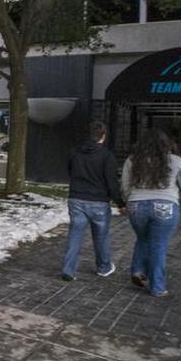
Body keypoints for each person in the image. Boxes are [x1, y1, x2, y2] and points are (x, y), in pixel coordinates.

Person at [122, 129, 181, 299]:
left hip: (136, 206)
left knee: (143, 238)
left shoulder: (132, 160)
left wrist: (129, 201)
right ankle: (157, 287)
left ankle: (138, 270)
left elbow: (125, 185)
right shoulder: (176, 160)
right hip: (165, 206)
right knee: (158, 245)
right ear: (167, 144)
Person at [61, 120, 124, 281]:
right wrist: (120, 202)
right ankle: (103, 267)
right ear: (103, 136)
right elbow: (112, 182)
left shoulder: (75, 152)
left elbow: (69, 171)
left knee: (75, 235)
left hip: (76, 198)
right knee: (101, 237)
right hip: (99, 202)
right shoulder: (107, 155)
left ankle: (68, 269)